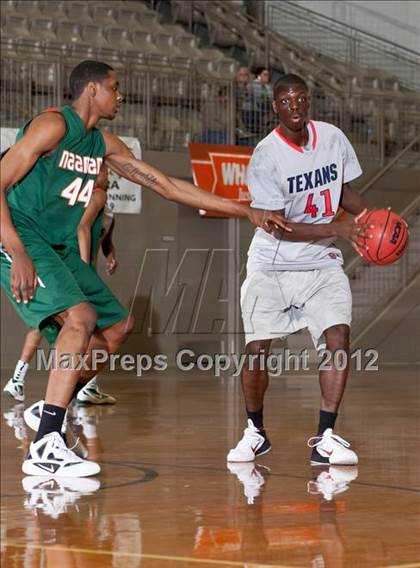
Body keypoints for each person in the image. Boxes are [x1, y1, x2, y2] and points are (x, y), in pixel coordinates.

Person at [0, 60, 289, 478]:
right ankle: (46, 443)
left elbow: (167, 186)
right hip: (23, 237)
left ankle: (50, 408)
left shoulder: (102, 144)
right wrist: (15, 249)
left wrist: (245, 210)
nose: (122, 96)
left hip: (56, 247)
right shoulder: (53, 126)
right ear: (93, 90)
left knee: (117, 327)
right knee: (81, 317)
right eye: (115, 88)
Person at [227, 73, 372, 466]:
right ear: (275, 107)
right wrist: (337, 228)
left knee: (338, 340)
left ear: (309, 102)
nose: (295, 107)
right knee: (257, 350)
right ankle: (255, 432)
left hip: (321, 262)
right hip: (272, 261)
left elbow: (340, 190)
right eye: (286, 101)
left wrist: (371, 221)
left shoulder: (332, 137)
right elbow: (277, 225)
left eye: (301, 99)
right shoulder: (266, 155)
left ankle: (326, 437)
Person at [3, 167, 117, 405]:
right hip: (68, 263)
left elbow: (104, 236)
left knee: (63, 327)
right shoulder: (95, 196)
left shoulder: (107, 209)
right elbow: (82, 228)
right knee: (77, 326)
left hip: (71, 263)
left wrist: (110, 253)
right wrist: (85, 267)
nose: (107, 175)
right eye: (103, 170)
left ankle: (27, 383)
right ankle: (27, 384)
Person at [251, 67, 274, 138]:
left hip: (266, 105)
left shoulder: (268, 87)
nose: (267, 77)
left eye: (268, 75)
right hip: (257, 105)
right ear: (259, 76)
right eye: (265, 74)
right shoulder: (254, 84)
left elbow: (271, 97)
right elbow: (257, 97)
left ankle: (267, 120)